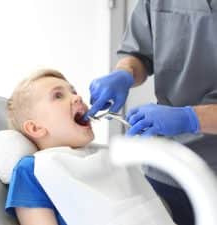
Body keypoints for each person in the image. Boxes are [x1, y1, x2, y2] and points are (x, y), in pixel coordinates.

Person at [83, 1, 217, 225]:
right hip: (167, 168)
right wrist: (125, 72)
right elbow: (139, 53)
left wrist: (189, 117)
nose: (75, 99)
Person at [4, 69, 174, 225]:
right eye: (58, 96)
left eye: (74, 92)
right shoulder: (32, 169)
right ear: (35, 128)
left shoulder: (105, 156)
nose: (77, 98)